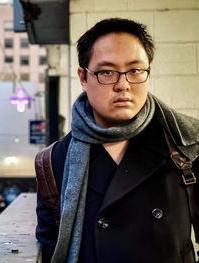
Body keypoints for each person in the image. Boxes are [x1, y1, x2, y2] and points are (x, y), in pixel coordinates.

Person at [35, 18, 199, 263]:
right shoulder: (53, 161)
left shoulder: (186, 146)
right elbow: (49, 249)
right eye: (107, 72)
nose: (123, 85)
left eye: (135, 71)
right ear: (83, 77)